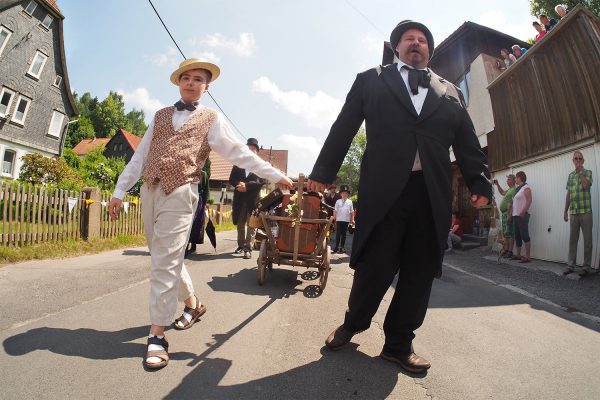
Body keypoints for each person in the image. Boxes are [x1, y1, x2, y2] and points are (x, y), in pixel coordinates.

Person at [307, 20, 491, 373]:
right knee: (374, 267)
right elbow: (343, 126)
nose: (416, 43)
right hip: (384, 191)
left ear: (429, 50)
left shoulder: (451, 91)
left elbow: (467, 143)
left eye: (423, 40)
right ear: (396, 47)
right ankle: (353, 324)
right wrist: (322, 174)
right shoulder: (371, 79)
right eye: (409, 39)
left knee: (420, 272)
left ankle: (398, 344)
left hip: (431, 194)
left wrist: (479, 183)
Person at [108, 58, 293, 370]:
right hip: (150, 190)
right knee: (162, 256)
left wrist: (275, 175)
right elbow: (140, 156)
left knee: (164, 261)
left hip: (181, 193)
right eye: (186, 77)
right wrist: (118, 190)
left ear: (207, 87)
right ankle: (192, 304)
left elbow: (239, 152)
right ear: (178, 82)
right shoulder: (160, 115)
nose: (191, 82)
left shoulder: (210, 118)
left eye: (198, 79)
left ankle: (157, 335)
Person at [229, 138, 266, 259]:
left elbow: (262, 181)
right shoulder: (239, 162)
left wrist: (247, 186)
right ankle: (240, 246)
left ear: (257, 151)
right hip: (239, 199)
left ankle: (248, 248)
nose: (251, 150)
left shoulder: (260, 164)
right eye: (249, 148)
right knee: (240, 224)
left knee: (252, 225)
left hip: (253, 201)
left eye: (253, 149)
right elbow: (232, 178)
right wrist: (238, 185)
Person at [563, 151, 593, 276]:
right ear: (573, 160)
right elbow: (569, 194)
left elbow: (586, 186)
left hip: (585, 212)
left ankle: (586, 267)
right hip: (574, 212)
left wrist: (581, 172)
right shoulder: (570, 176)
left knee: (587, 241)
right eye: (576, 158)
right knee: (572, 240)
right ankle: (571, 265)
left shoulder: (588, 173)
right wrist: (565, 211)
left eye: (580, 158)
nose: (578, 160)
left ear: (583, 160)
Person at [185, 169, 209, 258]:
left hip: (199, 201)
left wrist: (205, 203)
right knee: (186, 222)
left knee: (196, 224)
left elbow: (206, 189)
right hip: (187, 199)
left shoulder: (203, 174)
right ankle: (185, 246)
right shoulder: (188, 171)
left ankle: (193, 246)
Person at [510, 171, 532, 263]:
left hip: (522, 215)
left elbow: (529, 200)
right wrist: (511, 213)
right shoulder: (517, 189)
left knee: (525, 235)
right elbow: (515, 203)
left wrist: (523, 211)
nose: (515, 179)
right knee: (517, 235)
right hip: (515, 215)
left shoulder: (526, 188)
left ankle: (527, 257)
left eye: (516, 178)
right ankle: (518, 255)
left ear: (520, 178)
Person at [494, 174, 517, 258]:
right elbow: (502, 192)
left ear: (514, 181)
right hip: (504, 213)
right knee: (506, 233)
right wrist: (497, 185)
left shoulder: (514, 190)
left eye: (509, 179)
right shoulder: (509, 190)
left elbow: (514, 203)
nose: (507, 181)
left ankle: (510, 251)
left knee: (510, 233)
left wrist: (510, 214)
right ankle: (506, 250)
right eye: (507, 180)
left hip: (508, 213)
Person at [333, 185, 354, 254]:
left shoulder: (350, 202)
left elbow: (352, 212)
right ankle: (336, 247)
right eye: (343, 193)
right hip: (339, 219)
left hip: (346, 220)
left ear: (348, 194)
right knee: (338, 233)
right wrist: (334, 217)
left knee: (344, 234)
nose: (344, 194)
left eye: (346, 193)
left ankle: (342, 247)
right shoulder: (338, 201)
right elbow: (335, 210)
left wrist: (352, 220)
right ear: (340, 194)